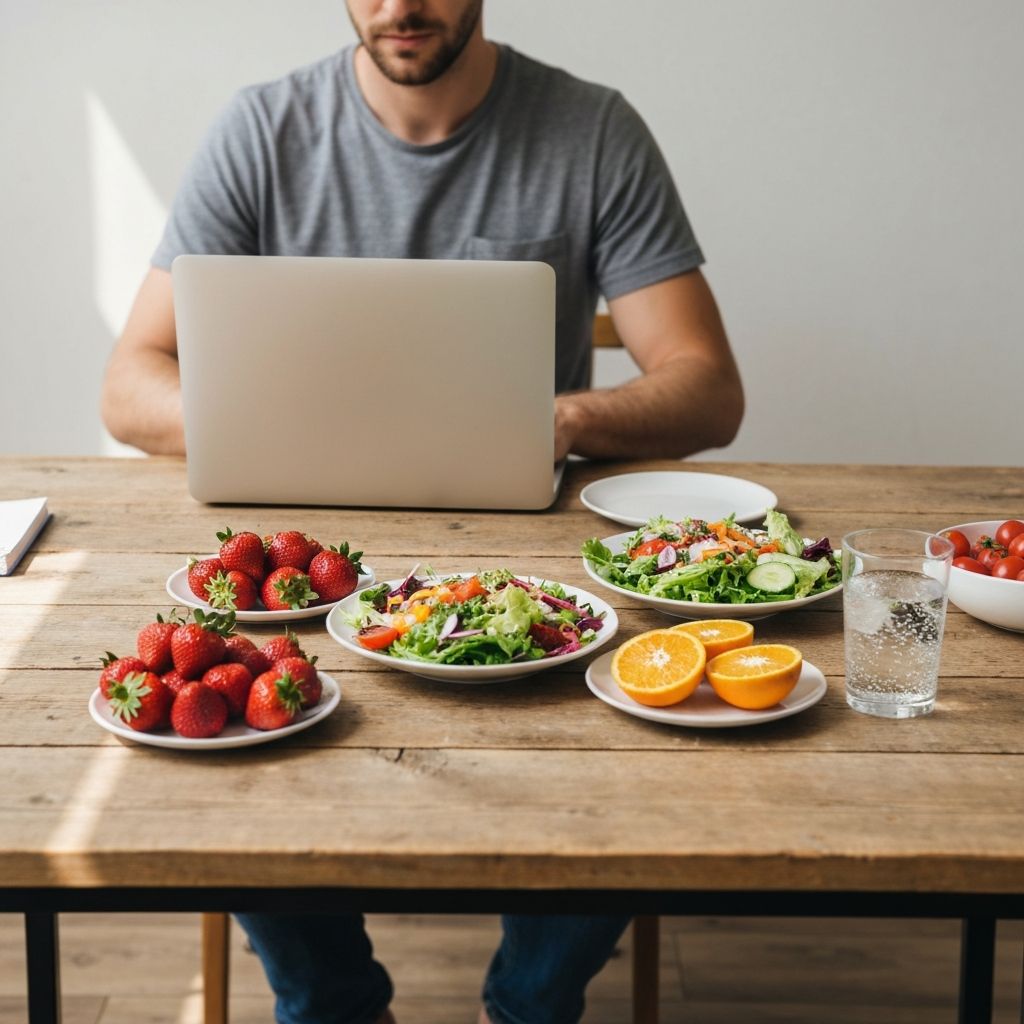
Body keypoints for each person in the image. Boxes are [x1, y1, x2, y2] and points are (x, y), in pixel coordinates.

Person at [101, 3, 744, 1021]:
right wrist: (253, 423)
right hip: (302, 577)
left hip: (529, 578)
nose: (403, 2)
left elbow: (707, 388)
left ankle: (531, 1004)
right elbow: (128, 387)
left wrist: (561, 414)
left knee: (643, 733)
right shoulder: (260, 130)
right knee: (231, 730)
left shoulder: (590, 128)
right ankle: (332, 1003)